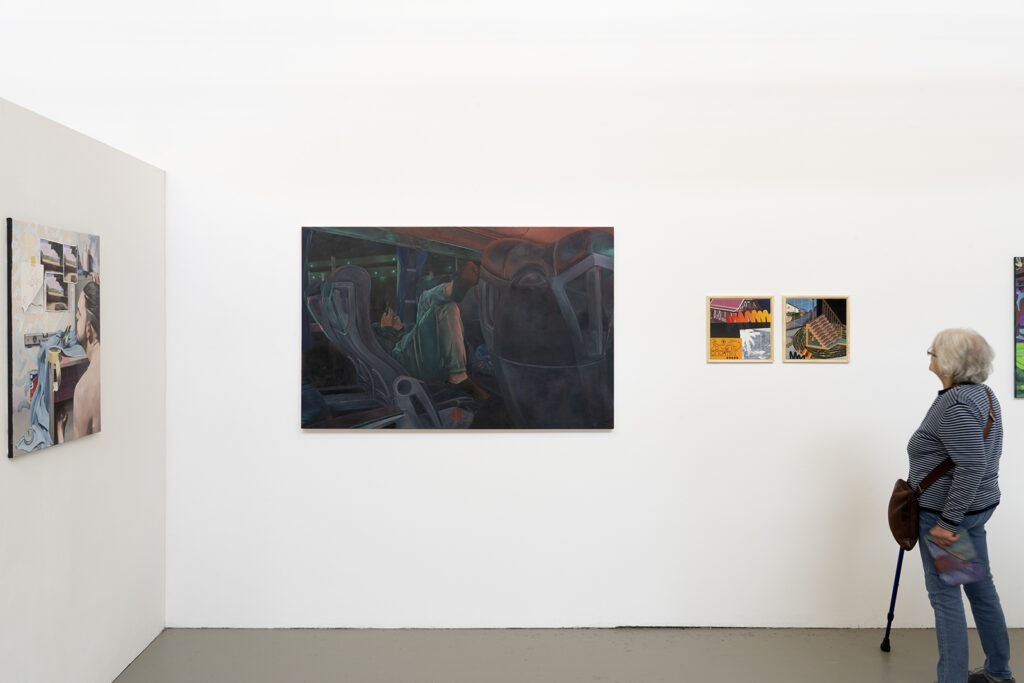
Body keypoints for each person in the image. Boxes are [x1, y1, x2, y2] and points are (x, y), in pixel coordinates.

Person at [907, 328, 1014, 683]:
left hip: (947, 516)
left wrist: (947, 523)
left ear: (950, 363)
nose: (930, 355)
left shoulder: (955, 405)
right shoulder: (983, 395)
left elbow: (972, 466)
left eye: (933, 351)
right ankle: (998, 672)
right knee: (979, 587)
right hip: (975, 509)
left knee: (946, 595)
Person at [375, 262, 488, 401]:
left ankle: (452, 290)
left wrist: (398, 330)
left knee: (425, 298)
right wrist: (386, 329)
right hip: (403, 362)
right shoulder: (374, 331)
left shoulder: (374, 329)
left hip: (407, 350)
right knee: (446, 309)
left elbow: (400, 342)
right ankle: (458, 376)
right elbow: (386, 356)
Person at [72, 280, 101, 437]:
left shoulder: (83, 391)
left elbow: (77, 451)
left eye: (79, 313)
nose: (76, 316)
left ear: (89, 329)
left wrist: (60, 431)